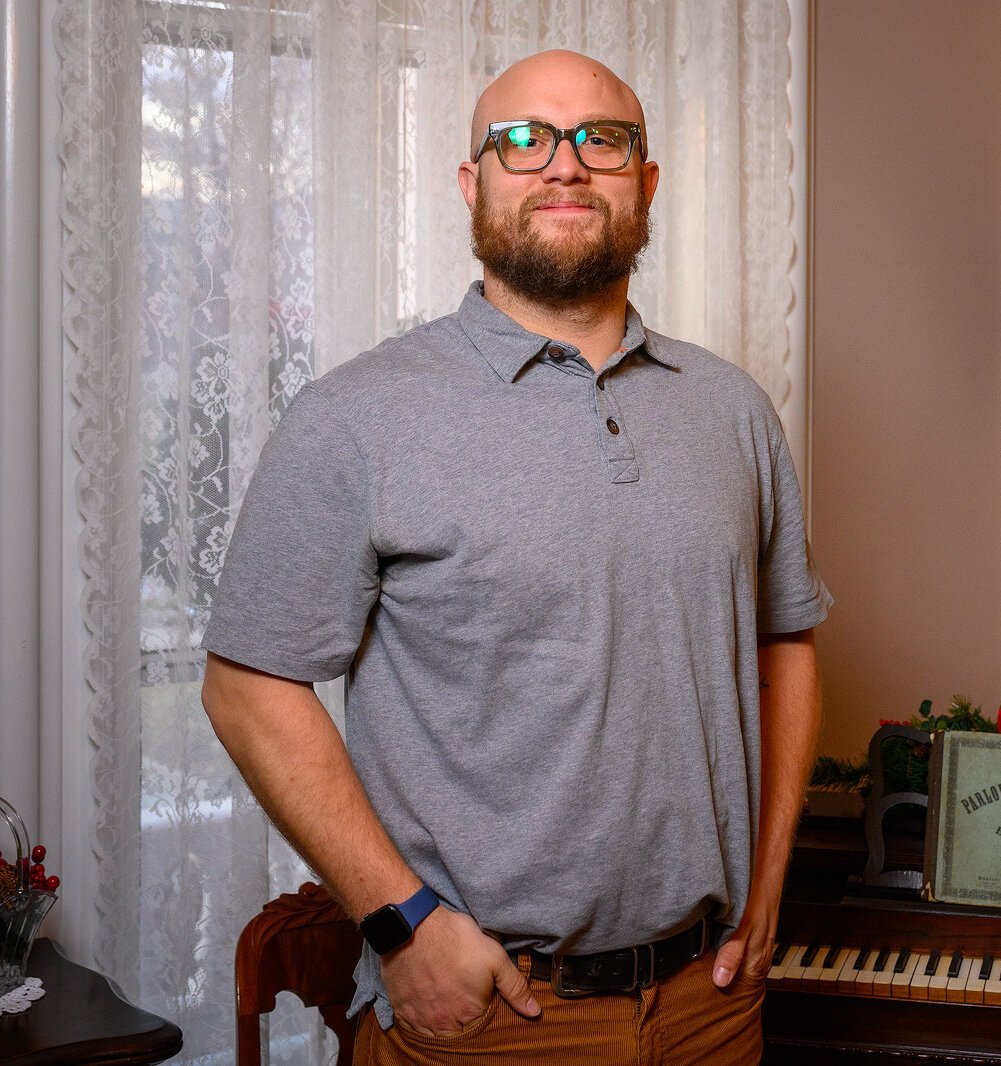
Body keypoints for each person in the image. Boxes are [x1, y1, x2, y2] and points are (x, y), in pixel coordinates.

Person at [200, 49, 830, 1064]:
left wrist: (768, 882)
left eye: (602, 140)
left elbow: (784, 643)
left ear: (647, 180)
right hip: (491, 1018)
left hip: (711, 1003)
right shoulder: (357, 416)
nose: (564, 165)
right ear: (470, 183)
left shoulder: (734, 412)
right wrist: (402, 920)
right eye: (523, 140)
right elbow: (245, 685)